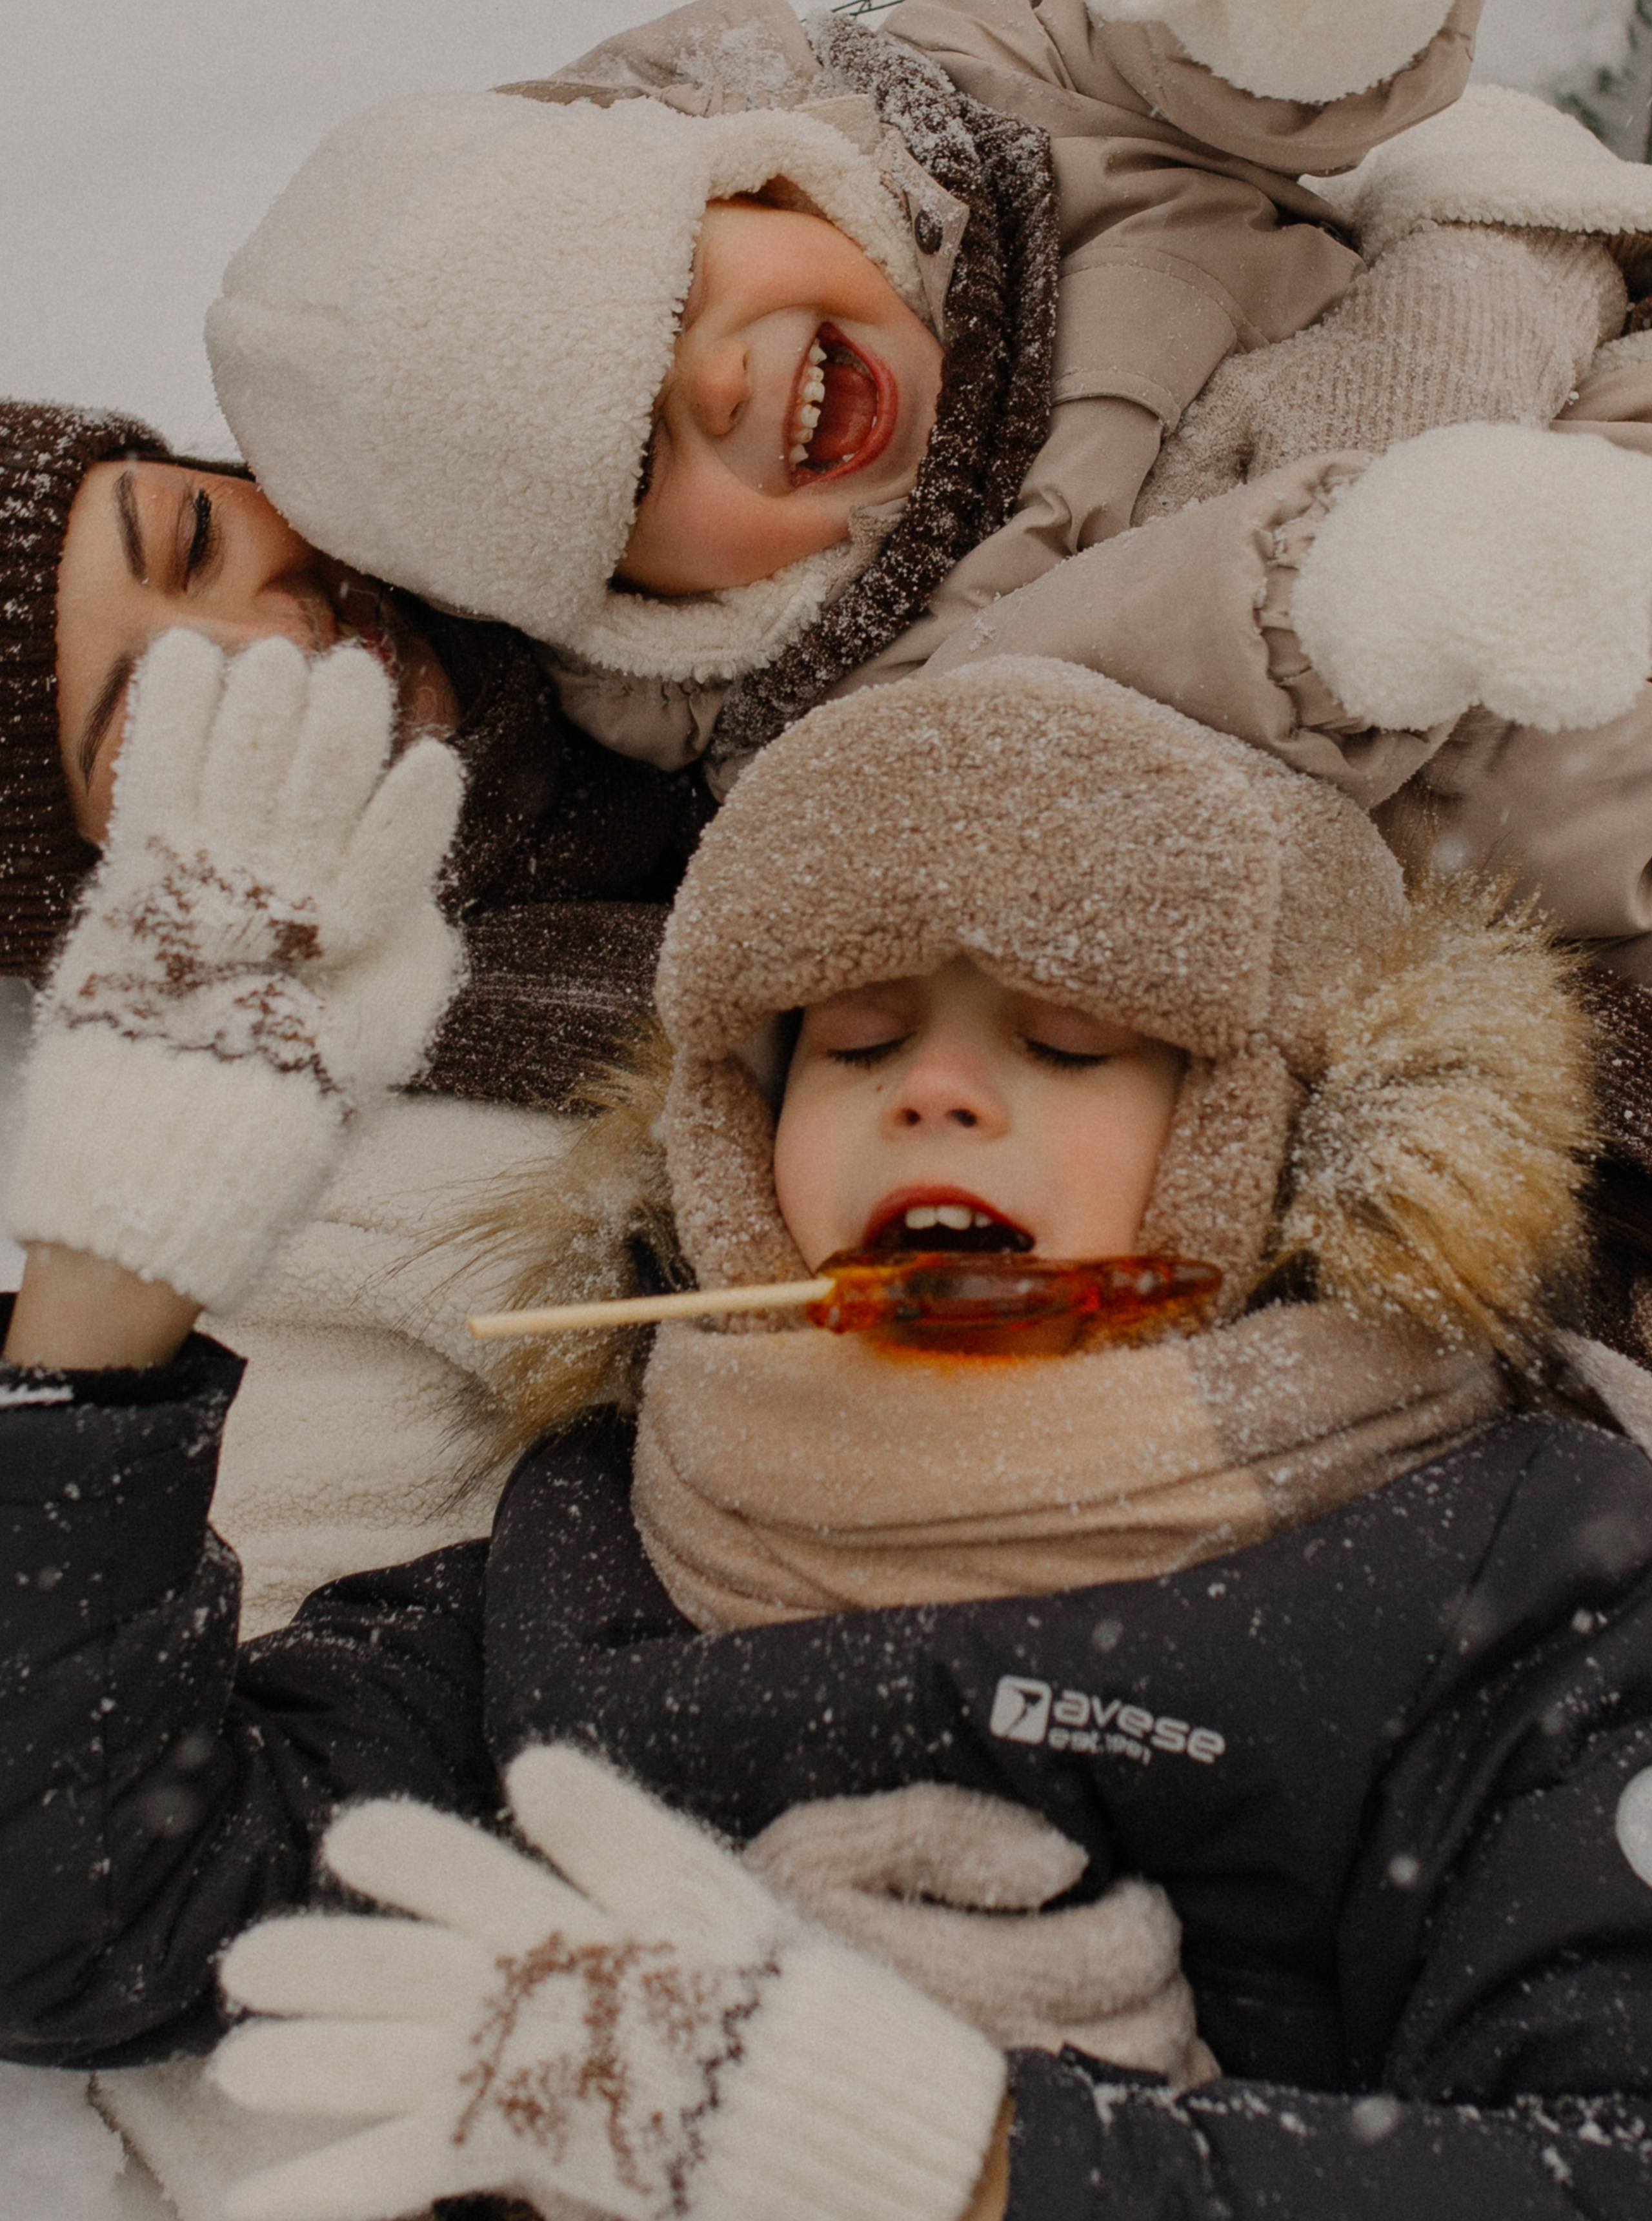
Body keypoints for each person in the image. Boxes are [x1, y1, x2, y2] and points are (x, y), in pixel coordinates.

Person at [5, 654, 1652, 2220]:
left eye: (1068, 1035)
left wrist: (977, 2164)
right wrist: (112, 1274)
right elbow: (83, 1913)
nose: (931, 1089)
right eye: (850, 1041)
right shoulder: (589, 1552)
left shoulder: (1516, 1575)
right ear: (739, 1141)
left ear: (1273, 1123)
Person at [203, 0, 1496, 792]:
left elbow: (1146, 49)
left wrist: (1272, 33)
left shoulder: (983, 91)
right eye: (633, 467)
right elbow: (1140, 690)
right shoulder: (863, 707)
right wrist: (1336, 595)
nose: (715, 384)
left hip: (1522, 333)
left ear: (751, 179)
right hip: (1458, 674)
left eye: (674, 287)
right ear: (638, 606)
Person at [0, 400, 703, 1638]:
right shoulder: (317, 1222)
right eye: (157, 710)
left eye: (196, 532)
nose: (273, 636)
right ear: (103, 894)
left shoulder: (667, 461)